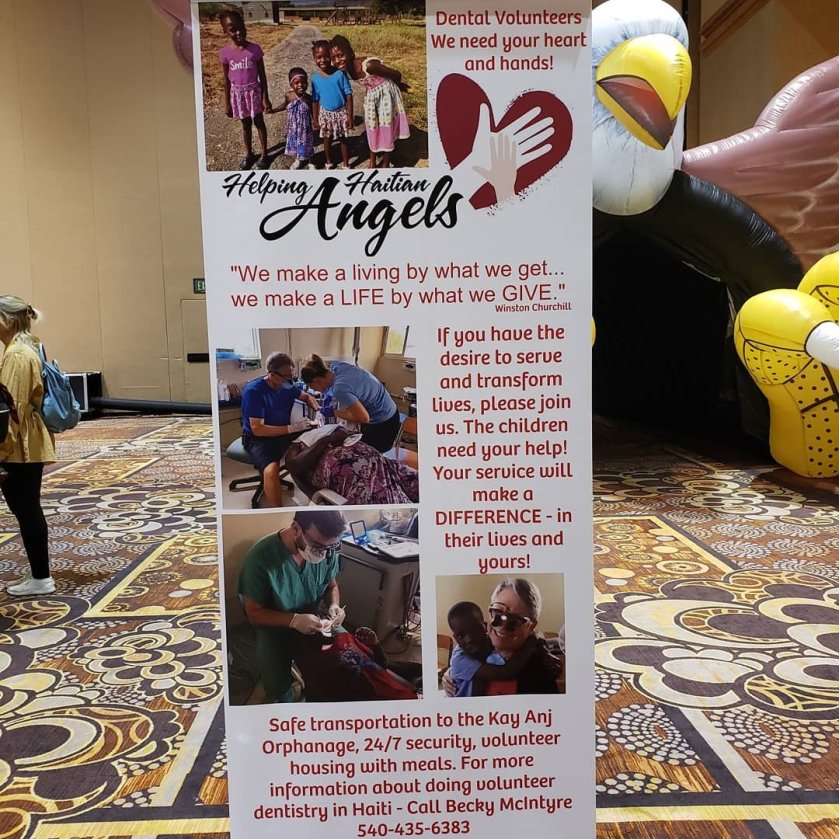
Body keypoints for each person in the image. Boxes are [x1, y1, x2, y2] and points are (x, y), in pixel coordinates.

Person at [237, 509, 347, 703]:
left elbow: (332, 586)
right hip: (273, 626)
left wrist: (334, 605)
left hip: (314, 619)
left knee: (346, 652)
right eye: (317, 546)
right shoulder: (259, 559)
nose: (323, 553)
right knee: (276, 684)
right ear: (296, 529)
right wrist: (294, 620)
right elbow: (254, 614)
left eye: (330, 547)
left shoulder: (327, 549)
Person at [0, 298, 56, 596]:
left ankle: (41, 577)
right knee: (26, 507)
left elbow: (13, 409)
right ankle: (39, 574)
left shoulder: (17, 355)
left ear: (8, 321)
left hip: (20, 444)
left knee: (26, 508)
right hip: (26, 440)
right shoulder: (25, 347)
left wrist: (2, 449)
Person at [442, 579, 564, 696]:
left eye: (515, 620)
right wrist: (450, 672)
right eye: (497, 613)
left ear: (530, 626)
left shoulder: (537, 673)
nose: (502, 626)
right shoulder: (477, 646)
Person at [240, 352, 318, 506]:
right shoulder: (254, 392)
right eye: (287, 376)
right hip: (259, 438)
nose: (291, 380)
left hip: (283, 432)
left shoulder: (286, 386)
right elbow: (258, 429)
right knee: (271, 471)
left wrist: (315, 407)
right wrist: (291, 429)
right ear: (272, 375)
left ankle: (314, 496)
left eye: (292, 375)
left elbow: (305, 396)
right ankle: (279, 511)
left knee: (317, 438)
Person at [329, 35, 410, 169]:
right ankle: (372, 162)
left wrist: (400, 85)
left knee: (387, 126)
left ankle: (385, 162)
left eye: (341, 55)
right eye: (333, 58)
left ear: (350, 52)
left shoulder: (369, 66)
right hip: (372, 97)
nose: (337, 61)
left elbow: (396, 74)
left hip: (386, 95)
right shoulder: (345, 71)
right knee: (372, 127)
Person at [284, 425, 418, 504]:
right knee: (392, 502)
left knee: (418, 482)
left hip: (382, 463)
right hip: (361, 477)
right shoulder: (299, 444)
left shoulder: (329, 428)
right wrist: (328, 439)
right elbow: (294, 467)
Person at [299, 354, 400, 452]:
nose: (315, 391)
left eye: (312, 387)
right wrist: (328, 396)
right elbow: (349, 387)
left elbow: (364, 418)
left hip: (384, 423)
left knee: (369, 456)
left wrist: (333, 412)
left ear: (316, 380)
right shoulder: (338, 367)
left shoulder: (340, 389)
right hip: (391, 408)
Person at [291, 625, 417, 702]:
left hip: (402, 697)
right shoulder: (316, 668)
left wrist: (375, 644)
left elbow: (381, 664)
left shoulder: (344, 638)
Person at [446, 601, 539, 697]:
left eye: (474, 630)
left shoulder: (488, 641)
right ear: (455, 638)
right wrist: (531, 643)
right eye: (461, 635)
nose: (469, 639)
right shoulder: (460, 659)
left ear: (484, 627)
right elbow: (505, 672)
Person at [219, 9, 272, 170]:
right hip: (238, 95)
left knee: (259, 122)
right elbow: (226, 80)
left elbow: (262, 75)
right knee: (245, 124)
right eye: (233, 30)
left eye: (241, 28)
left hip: (254, 93)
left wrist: (265, 97)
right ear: (225, 31)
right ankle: (249, 154)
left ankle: (264, 155)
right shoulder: (225, 53)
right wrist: (227, 103)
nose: (238, 32)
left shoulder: (255, 50)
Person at [310, 40, 353, 170]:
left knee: (343, 139)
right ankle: (328, 162)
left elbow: (348, 94)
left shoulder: (340, 74)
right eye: (319, 57)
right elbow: (315, 99)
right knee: (327, 139)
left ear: (331, 57)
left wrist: (350, 116)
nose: (323, 60)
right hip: (326, 114)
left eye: (326, 56)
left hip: (341, 113)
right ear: (314, 58)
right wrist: (315, 118)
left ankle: (346, 163)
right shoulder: (315, 78)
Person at [274, 67, 314, 170]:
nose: (300, 85)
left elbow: (313, 112)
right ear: (291, 85)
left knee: (307, 144)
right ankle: (298, 160)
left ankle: (310, 161)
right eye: (296, 83)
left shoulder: (308, 98)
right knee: (295, 144)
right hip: (293, 127)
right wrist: (274, 110)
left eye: (303, 82)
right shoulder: (289, 96)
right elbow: (285, 105)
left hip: (305, 128)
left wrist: (316, 122)